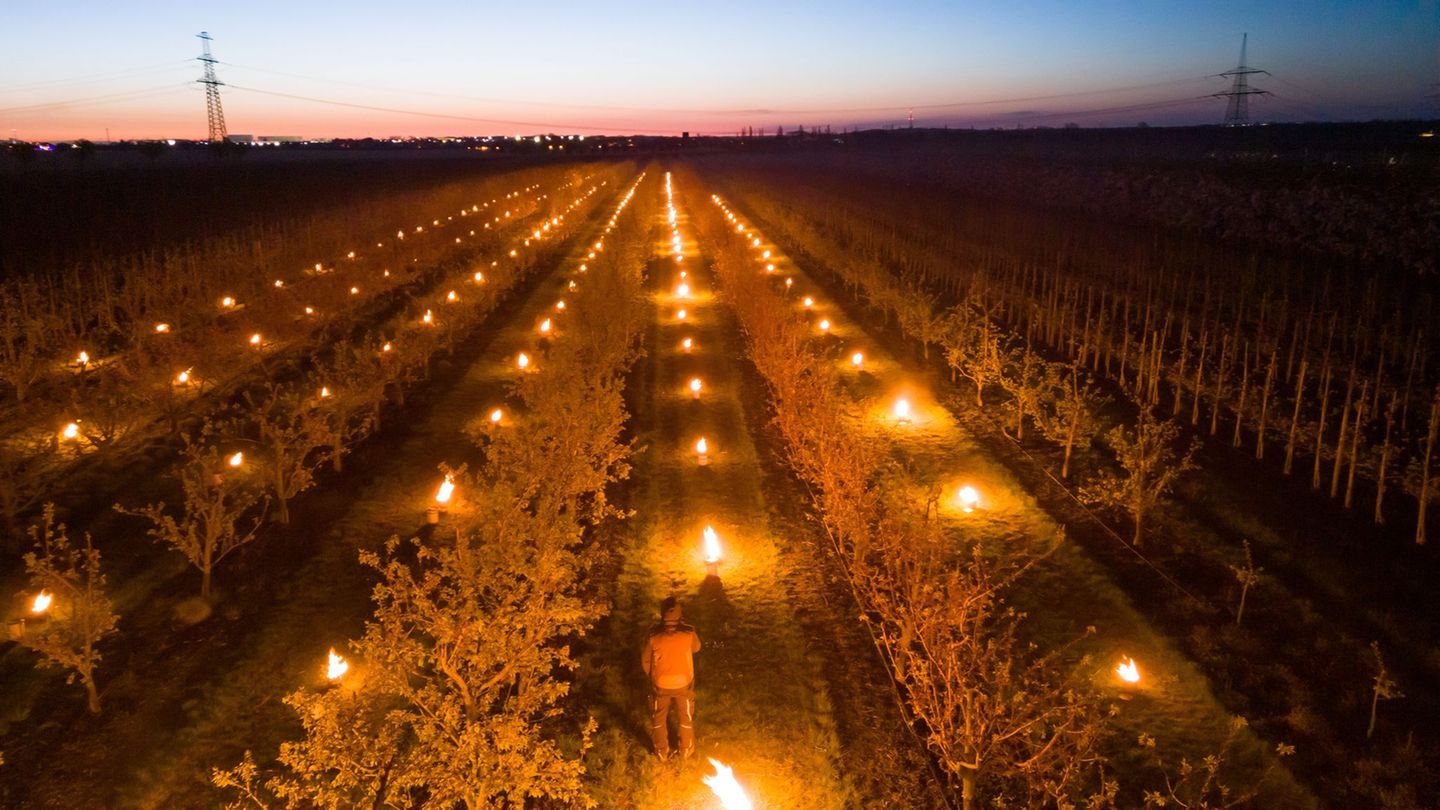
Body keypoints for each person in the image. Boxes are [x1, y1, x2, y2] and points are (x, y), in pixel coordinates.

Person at [641, 595, 701, 761]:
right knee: (685, 717)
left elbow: (645, 660)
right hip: (684, 684)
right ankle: (686, 749)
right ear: (680, 616)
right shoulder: (688, 633)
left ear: (662, 616)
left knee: (658, 718)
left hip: (660, 684)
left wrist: (653, 678)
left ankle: (661, 752)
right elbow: (696, 648)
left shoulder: (654, 636)